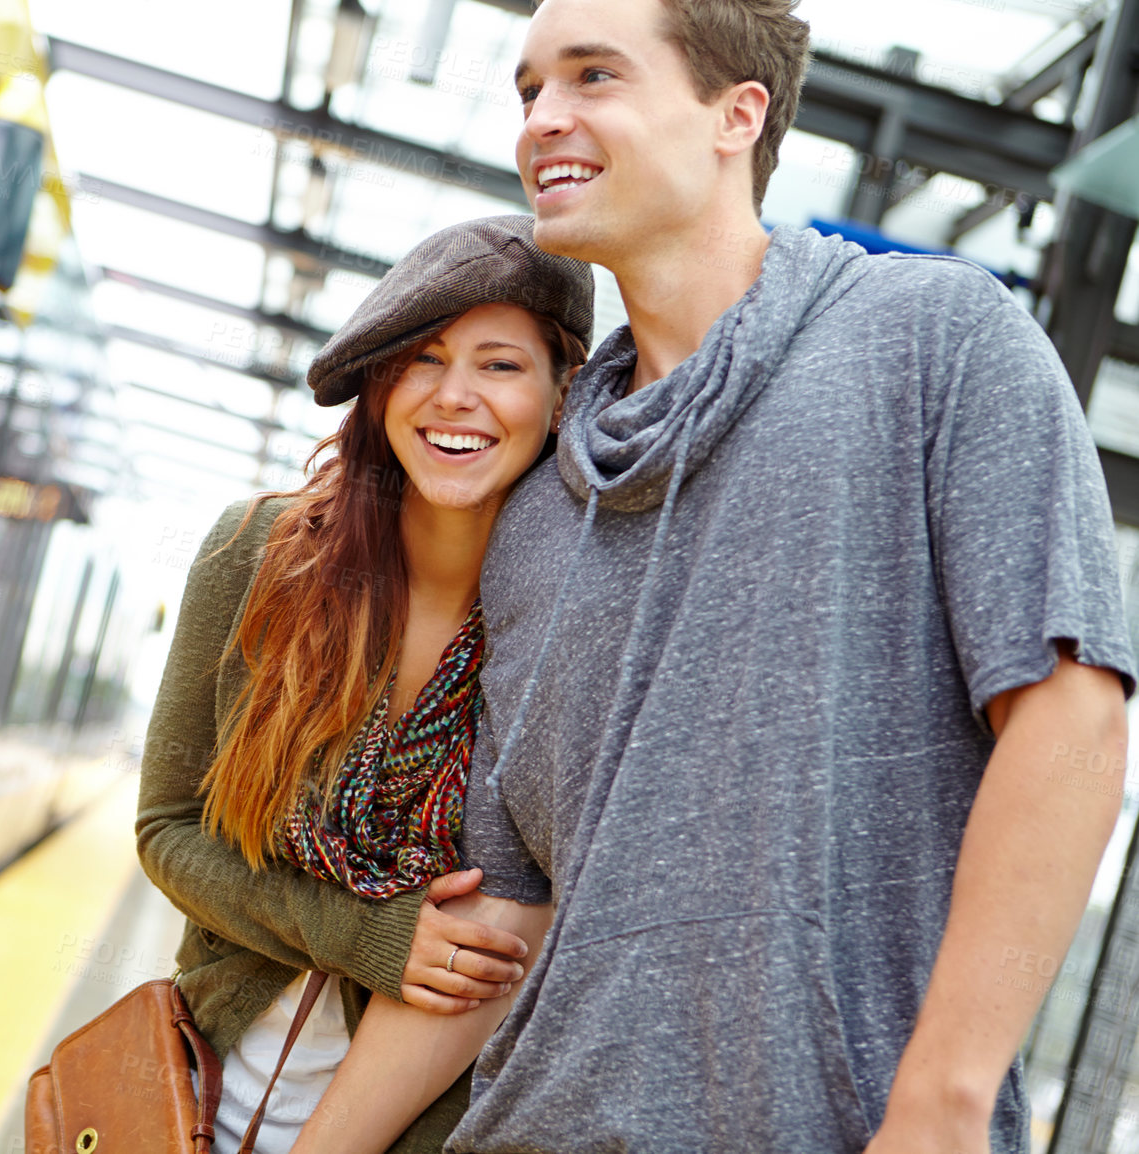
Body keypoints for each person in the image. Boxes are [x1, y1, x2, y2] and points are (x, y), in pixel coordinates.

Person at [295, 2, 1135, 1152]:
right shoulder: (537, 513)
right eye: (530, 89)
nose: (544, 118)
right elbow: (505, 913)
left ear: (738, 114)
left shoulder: (934, 342)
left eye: (594, 76)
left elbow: (1072, 719)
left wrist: (940, 1104)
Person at [136, 216, 594, 1154]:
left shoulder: (578, 620)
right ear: (381, 384)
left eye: (500, 365)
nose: (454, 397)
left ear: (561, 395)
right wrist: (363, 933)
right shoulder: (256, 554)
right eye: (422, 359)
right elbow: (166, 829)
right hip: (191, 1098)